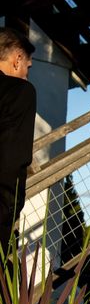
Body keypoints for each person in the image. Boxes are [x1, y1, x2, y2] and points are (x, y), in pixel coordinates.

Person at [0, 27, 36, 256]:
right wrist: (11, 210)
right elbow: (14, 156)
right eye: (28, 68)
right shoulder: (20, 91)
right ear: (17, 59)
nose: (26, 74)